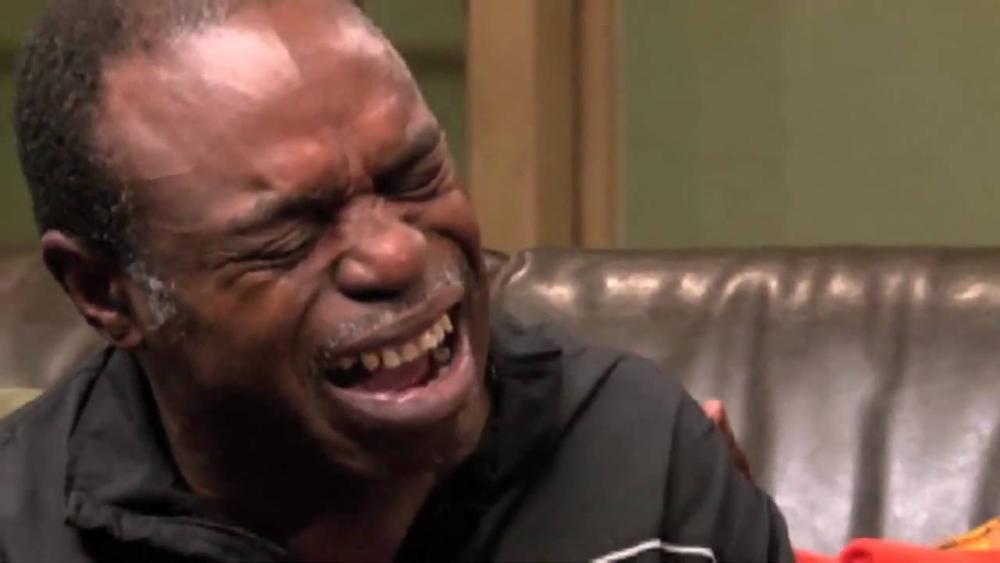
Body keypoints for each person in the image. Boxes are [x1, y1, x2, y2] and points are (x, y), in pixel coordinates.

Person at [0, 1, 794, 561]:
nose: (396, 256)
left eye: (414, 175)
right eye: (289, 232)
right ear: (106, 292)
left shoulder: (642, 460)